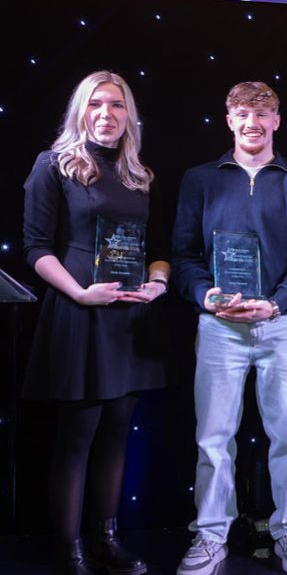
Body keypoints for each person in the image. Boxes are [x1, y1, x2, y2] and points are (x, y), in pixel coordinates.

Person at [171, 82, 287, 575]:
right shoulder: (200, 180)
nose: (252, 123)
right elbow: (183, 256)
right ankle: (211, 535)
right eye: (242, 113)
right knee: (213, 439)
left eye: (262, 114)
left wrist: (278, 303)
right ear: (228, 119)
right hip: (220, 328)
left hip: (284, 326)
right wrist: (205, 295)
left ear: (277, 121)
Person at [22, 70, 169, 575]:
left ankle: (106, 539)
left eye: (117, 105)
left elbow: (157, 251)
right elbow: (36, 249)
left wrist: (158, 282)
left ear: (130, 115)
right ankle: (69, 549)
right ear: (80, 111)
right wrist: (81, 293)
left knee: (116, 432)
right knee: (78, 435)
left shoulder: (138, 175)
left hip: (128, 320)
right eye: (96, 105)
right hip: (79, 314)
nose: (106, 114)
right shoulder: (53, 166)